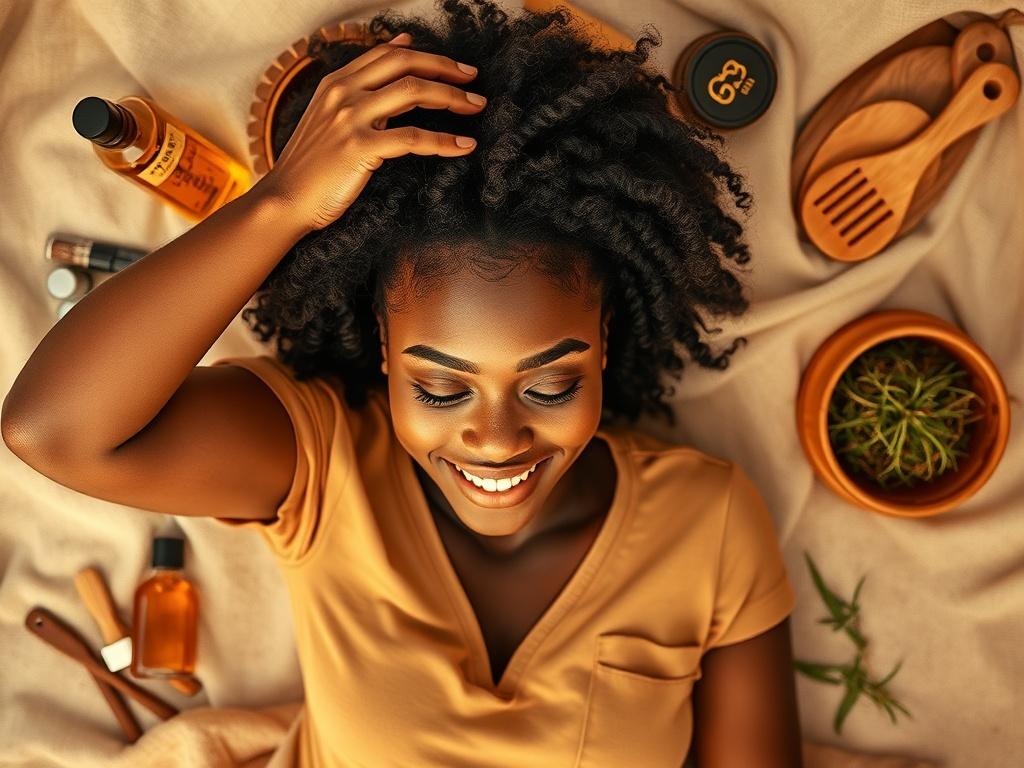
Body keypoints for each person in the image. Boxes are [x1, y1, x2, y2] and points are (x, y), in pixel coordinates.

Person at [1, 0, 803, 764]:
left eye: (550, 386)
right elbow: (53, 431)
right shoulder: (324, 466)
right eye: (443, 389)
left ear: (603, 341)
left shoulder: (711, 526)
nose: (495, 441)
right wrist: (283, 204)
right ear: (384, 347)